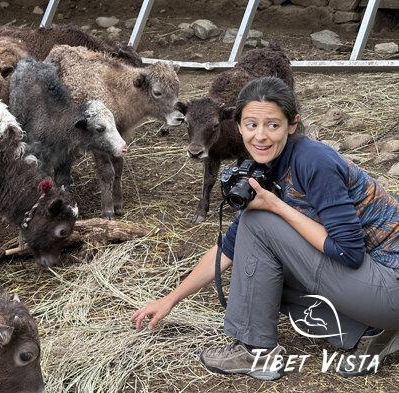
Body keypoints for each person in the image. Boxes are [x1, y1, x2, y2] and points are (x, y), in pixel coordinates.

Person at [131, 76, 399, 380]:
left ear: (292, 124)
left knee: (258, 221)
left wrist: (276, 206)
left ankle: (256, 353)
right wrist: (170, 300)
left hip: (391, 282)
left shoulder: (314, 161)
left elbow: (348, 252)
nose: (260, 136)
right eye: (251, 125)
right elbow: (228, 250)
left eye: (273, 125)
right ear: (239, 126)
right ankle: (375, 332)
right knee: (259, 260)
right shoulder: (265, 167)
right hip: (375, 287)